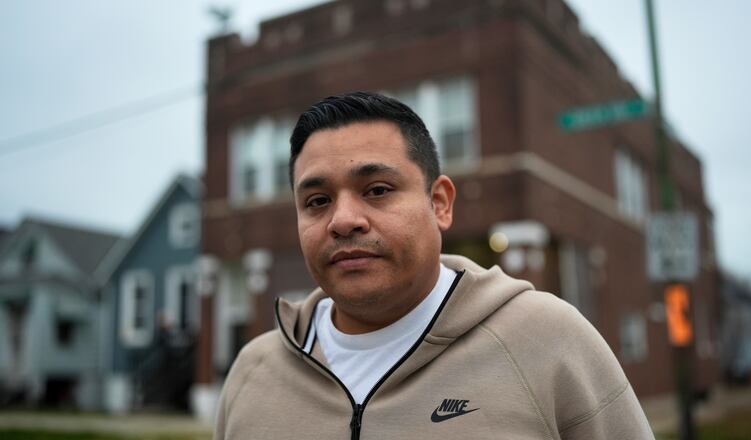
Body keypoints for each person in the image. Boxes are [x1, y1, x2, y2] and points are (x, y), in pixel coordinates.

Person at [214, 92, 654, 439]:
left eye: (378, 189)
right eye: (317, 201)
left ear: (439, 203)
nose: (343, 220)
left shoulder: (548, 340)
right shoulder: (254, 371)